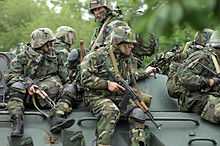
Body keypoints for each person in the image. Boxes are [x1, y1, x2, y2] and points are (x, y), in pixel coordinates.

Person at [81, 25, 157, 146]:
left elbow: (132, 75)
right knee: (111, 110)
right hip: (96, 96)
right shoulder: (97, 56)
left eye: (133, 44)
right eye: (129, 43)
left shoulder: (129, 59)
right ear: (117, 42)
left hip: (118, 96)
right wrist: (106, 84)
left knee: (138, 113)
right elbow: (84, 78)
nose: (132, 46)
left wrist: (146, 72)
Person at [6, 28, 75, 137]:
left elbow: (65, 78)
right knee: (16, 86)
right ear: (40, 44)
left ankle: (57, 117)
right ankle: (17, 122)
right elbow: (10, 76)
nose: (52, 46)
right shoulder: (22, 57)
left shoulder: (56, 55)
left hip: (50, 95)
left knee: (71, 88)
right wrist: (28, 84)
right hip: (27, 95)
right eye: (49, 44)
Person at [167, 30, 220, 123]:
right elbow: (184, 76)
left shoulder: (217, 58)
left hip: (210, 96)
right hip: (193, 99)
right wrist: (208, 81)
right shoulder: (203, 56)